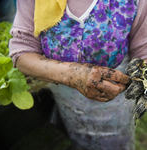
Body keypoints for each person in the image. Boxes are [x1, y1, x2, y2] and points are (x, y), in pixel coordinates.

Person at [9, 0, 147, 149]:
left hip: (116, 104)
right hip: (66, 99)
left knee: (116, 143)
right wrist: (71, 75)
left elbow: (143, 52)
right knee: (79, 137)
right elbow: (22, 51)